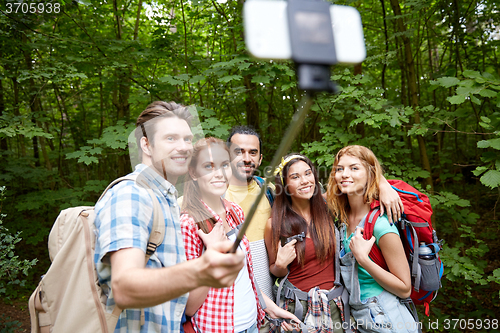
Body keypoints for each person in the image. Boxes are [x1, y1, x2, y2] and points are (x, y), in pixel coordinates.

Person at [94, 101, 245, 333]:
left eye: (187, 139)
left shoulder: (167, 202)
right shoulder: (132, 195)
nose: (184, 147)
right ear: (146, 144)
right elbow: (123, 288)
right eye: (171, 139)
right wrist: (201, 269)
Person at [180, 137, 298, 333]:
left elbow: (246, 276)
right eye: (208, 166)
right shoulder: (189, 224)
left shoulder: (235, 211)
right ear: (193, 172)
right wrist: (212, 257)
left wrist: (272, 308)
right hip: (219, 328)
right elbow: (190, 307)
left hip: (253, 323)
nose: (219, 174)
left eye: (224, 165)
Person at [327, 145, 418, 333]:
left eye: (354, 168)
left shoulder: (381, 224)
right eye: (339, 169)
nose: (344, 174)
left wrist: (363, 260)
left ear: (369, 174)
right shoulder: (342, 217)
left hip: (387, 317)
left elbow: (404, 289)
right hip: (362, 317)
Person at [264, 154, 347, 333]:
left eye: (308, 173)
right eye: (295, 177)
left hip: (336, 306)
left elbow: (362, 185)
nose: (304, 181)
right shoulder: (275, 224)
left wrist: (385, 186)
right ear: (285, 185)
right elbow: (275, 269)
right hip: (298, 309)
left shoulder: (328, 209)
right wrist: (280, 264)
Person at [225, 126, 275, 299]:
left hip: (270, 303)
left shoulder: (269, 191)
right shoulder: (213, 195)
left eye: (253, 153)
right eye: (239, 152)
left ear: (260, 159)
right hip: (232, 307)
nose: (247, 159)